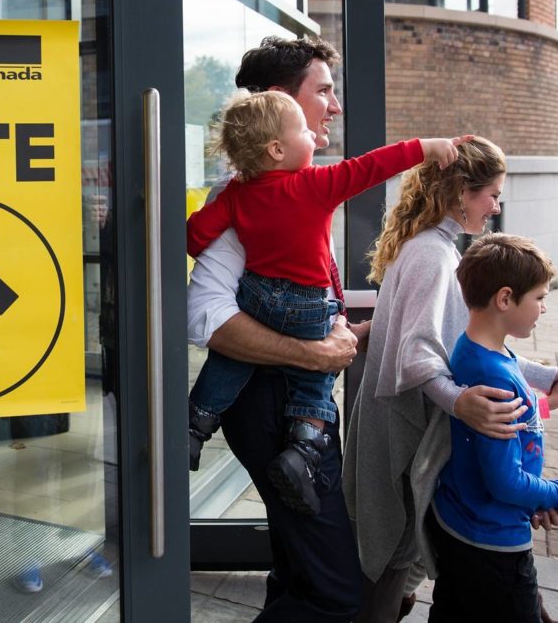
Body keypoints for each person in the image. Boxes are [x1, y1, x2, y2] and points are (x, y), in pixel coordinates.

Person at [186, 36, 521, 622]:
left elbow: (293, 289)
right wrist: (316, 353)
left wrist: (351, 329)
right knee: (338, 590)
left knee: (298, 564)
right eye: (323, 91)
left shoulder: (283, 187)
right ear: (278, 106)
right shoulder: (244, 194)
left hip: (294, 395)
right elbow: (208, 319)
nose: (334, 108)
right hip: (268, 400)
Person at [187, 87, 463, 516]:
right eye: (304, 130)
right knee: (317, 373)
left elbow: (195, 237)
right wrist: (428, 148)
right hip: (309, 305)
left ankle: (197, 423)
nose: (315, 138)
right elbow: (372, 166)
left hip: (256, 298)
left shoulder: (236, 195)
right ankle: (303, 447)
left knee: (229, 361)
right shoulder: (315, 184)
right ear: (277, 149)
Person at [342, 137, 558, 623]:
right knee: (391, 578)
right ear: (462, 192)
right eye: (492, 194)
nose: (497, 205)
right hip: (406, 446)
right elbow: (419, 356)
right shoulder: (431, 256)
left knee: (407, 576)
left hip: (413, 445)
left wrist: (546, 376)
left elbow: (462, 344)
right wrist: (459, 403)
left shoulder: (429, 247)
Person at [428, 232, 557, 622]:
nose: (544, 309)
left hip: (459, 523)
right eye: (539, 298)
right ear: (504, 299)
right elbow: (504, 483)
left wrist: (539, 498)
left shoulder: (476, 348)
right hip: (492, 540)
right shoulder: (494, 377)